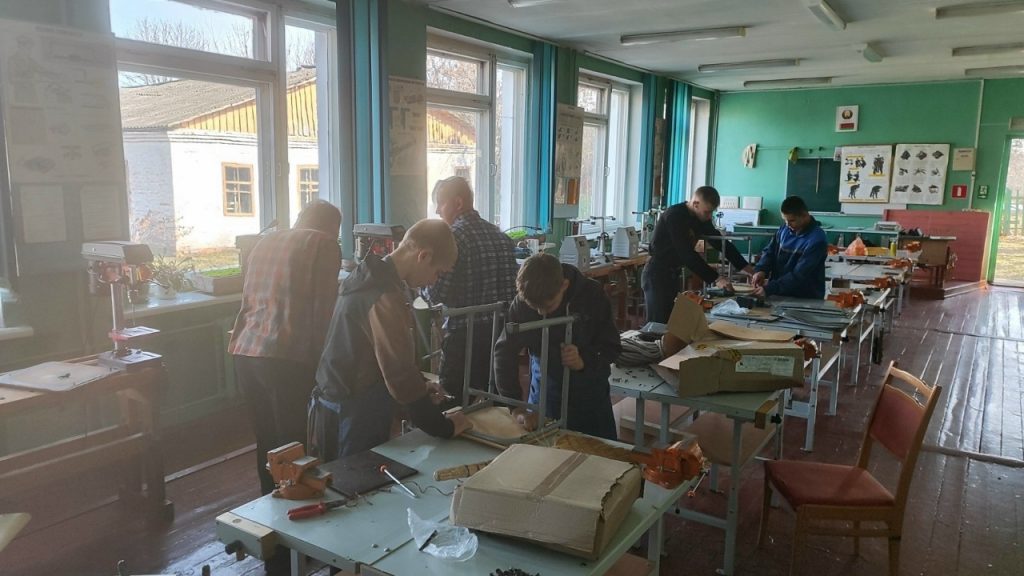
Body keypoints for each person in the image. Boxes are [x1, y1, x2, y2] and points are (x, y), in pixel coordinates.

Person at [312, 219, 472, 460]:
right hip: (354, 405)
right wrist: (444, 426)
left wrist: (420, 384)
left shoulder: (370, 276)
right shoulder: (383, 293)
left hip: (339, 396)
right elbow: (398, 372)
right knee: (355, 478)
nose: (434, 281)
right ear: (424, 256)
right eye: (438, 273)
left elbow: (378, 353)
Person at [228, 200, 342, 495]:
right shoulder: (324, 244)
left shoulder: (264, 242)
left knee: (266, 438)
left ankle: (268, 501)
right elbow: (324, 311)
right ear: (333, 227)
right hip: (285, 356)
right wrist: (326, 365)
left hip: (245, 350)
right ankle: (293, 503)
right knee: (293, 442)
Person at [493, 253, 622, 440]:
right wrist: (515, 407)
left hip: (589, 397)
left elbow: (611, 346)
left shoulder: (592, 294)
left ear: (564, 285)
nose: (540, 312)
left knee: (598, 452)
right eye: (534, 307)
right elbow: (504, 353)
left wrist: (584, 360)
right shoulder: (524, 301)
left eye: (548, 306)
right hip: (544, 393)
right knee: (543, 450)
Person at [420, 176, 518, 404]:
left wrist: (420, 284)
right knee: (499, 407)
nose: (437, 210)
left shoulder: (451, 239)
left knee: (450, 404)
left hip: (465, 338)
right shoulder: (501, 236)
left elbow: (437, 294)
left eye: (440, 203)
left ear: (458, 203)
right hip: (502, 335)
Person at [642, 186, 754, 323]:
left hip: (672, 274)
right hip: (657, 273)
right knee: (657, 323)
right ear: (696, 204)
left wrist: (747, 268)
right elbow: (686, 254)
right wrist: (717, 279)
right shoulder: (674, 216)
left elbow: (720, 243)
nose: (709, 216)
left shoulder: (700, 218)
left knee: (671, 321)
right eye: (707, 212)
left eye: (711, 212)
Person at [750, 196, 829, 300]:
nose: (787, 224)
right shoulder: (784, 229)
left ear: (805, 215)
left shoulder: (817, 239)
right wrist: (761, 270)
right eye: (785, 220)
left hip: (805, 298)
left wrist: (770, 289)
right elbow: (770, 251)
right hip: (779, 293)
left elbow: (799, 274)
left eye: (792, 220)